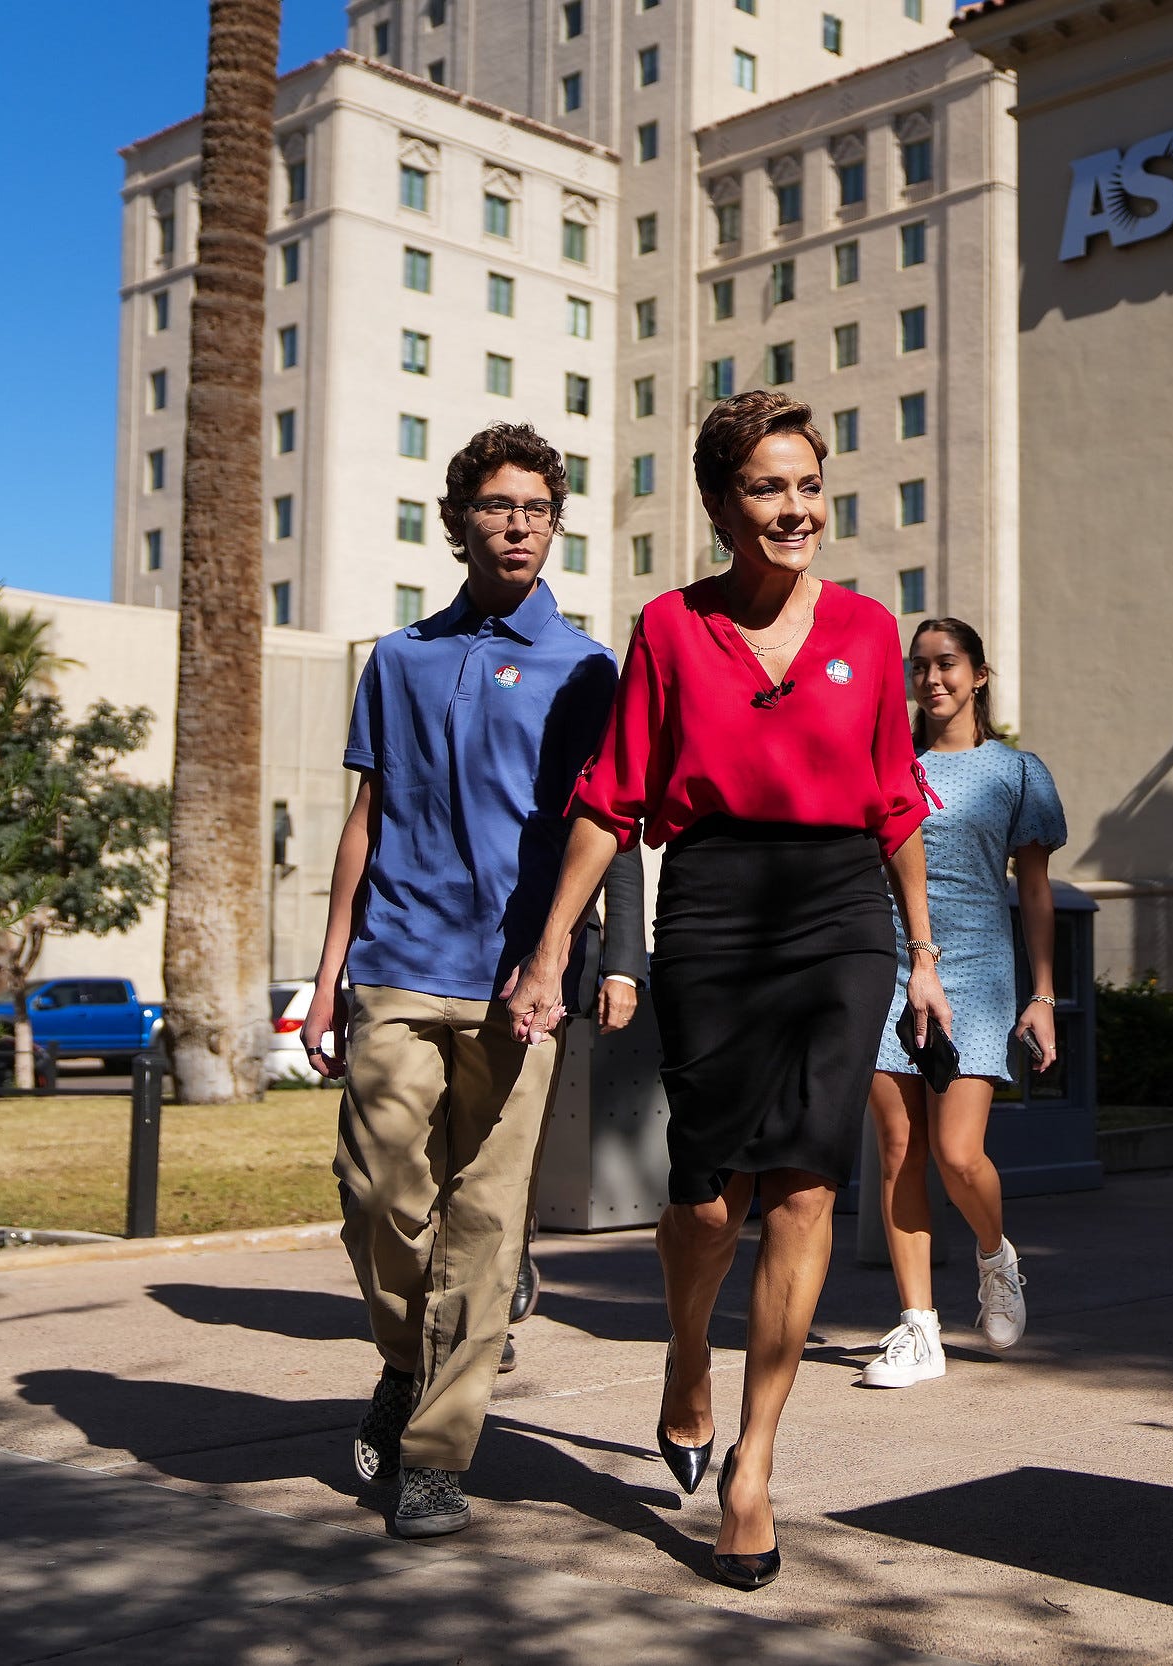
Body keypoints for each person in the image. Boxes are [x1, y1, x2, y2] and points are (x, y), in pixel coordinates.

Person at [505, 390, 949, 1591]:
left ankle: (755, 1465)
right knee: (710, 1199)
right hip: (709, 902)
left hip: (840, 914)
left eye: (808, 484)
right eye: (768, 486)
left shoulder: (866, 626)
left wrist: (924, 951)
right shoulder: (668, 628)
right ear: (720, 504)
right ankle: (686, 1350)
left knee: (803, 1183)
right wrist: (555, 948)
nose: (795, 507)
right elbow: (611, 797)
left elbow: (897, 802)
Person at [302, 422, 646, 1541]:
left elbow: (614, 819)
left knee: (488, 1218)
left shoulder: (588, 667)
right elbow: (367, 819)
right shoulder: (397, 659)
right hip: (397, 963)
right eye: (498, 506)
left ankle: (438, 1457)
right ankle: (409, 1361)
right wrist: (323, 976)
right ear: (457, 522)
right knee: (378, 1192)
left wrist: (615, 958)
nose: (518, 525)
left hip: (518, 984)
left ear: (555, 525)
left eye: (537, 509)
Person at [859, 618, 1067, 1389]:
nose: (931, 679)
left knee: (955, 1153)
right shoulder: (888, 765)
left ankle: (995, 1257)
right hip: (889, 965)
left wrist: (1041, 995)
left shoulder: (1017, 773)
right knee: (896, 1152)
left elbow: (1037, 891)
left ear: (979, 675)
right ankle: (919, 1329)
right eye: (919, 667)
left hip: (978, 971)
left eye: (947, 664)